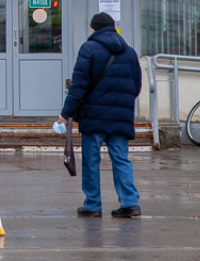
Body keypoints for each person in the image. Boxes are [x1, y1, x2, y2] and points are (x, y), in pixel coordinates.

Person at [59, 12, 142, 218]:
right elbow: (137, 85)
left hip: (94, 116)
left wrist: (66, 113)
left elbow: (78, 85)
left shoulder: (89, 49)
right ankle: (130, 203)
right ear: (113, 28)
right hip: (121, 117)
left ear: (93, 29)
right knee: (121, 160)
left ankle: (93, 205)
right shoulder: (130, 52)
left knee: (91, 161)